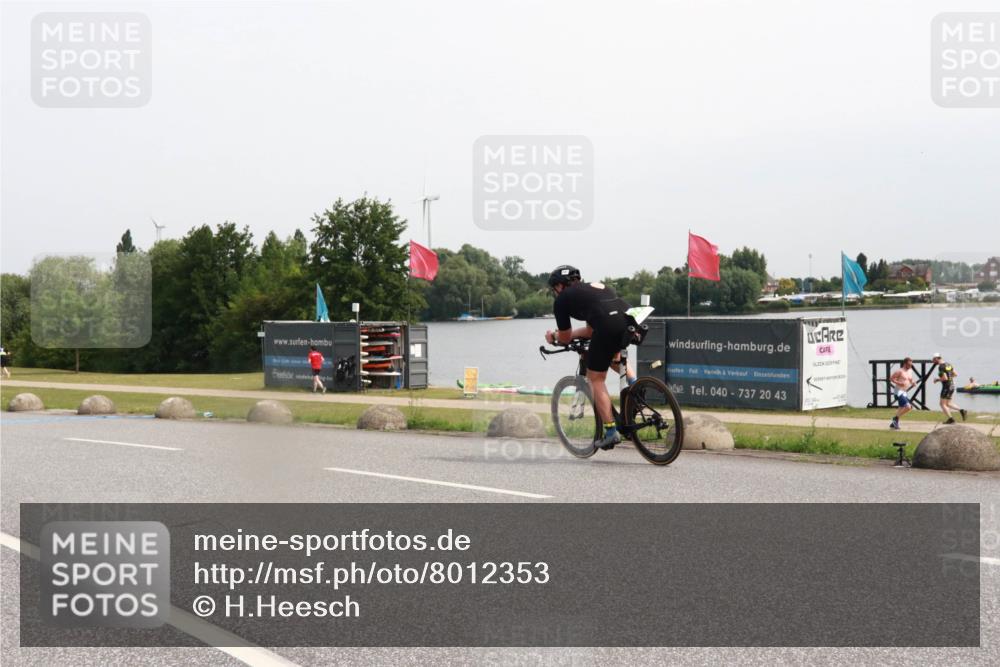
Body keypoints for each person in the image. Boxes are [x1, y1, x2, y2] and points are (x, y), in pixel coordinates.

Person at [544, 265, 636, 450]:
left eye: (555, 289)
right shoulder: (591, 290)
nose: (555, 293)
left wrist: (553, 337)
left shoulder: (562, 300)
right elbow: (591, 330)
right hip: (630, 320)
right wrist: (576, 335)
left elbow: (564, 337)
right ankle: (636, 385)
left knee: (596, 379)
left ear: (560, 286)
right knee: (614, 357)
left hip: (608, 325)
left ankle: (610, 432)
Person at [931, 352, 965, 423]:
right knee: (948, 403)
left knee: (942, 404)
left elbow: (945, 378)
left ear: (937, 358)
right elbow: (955, 374)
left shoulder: (941, 367)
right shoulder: (948, 364)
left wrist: (937, 380)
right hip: (952, 385)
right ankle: (961, 410)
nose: (933, 361)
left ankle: (951, 419)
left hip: (946, 387)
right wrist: (948, 376)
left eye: (934, 359)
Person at [889, 357, 915, 430]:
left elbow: (910, 379)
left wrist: (913, 382)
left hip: (904, 391)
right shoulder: (900, 371)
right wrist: (899, 383)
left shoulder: (910, 370)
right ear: (905, 364)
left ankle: (894, 423)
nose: (910, 366)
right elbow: (891, 378)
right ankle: (895, 419)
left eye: (911, 364)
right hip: (898, 391)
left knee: (901, 408)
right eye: (909, 364)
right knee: (908, 407)